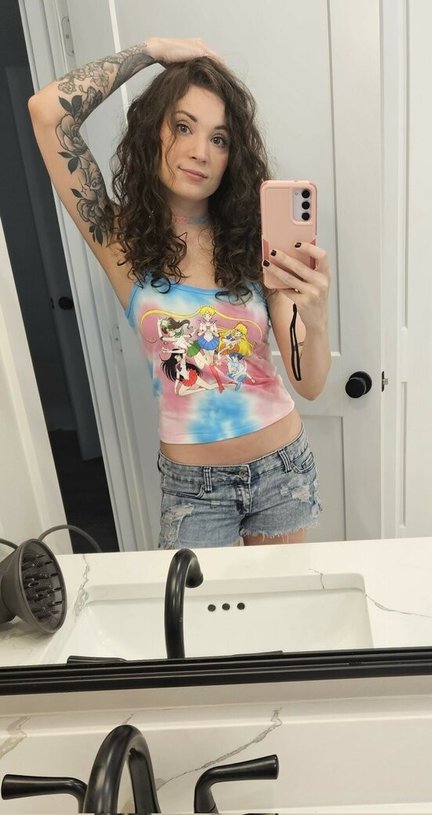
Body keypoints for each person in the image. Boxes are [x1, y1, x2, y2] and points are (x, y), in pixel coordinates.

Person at [28, 37, 331, 549]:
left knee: (278, 601)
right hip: (194, 489)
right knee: (196, 604)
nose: (200, 152)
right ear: (154, 131)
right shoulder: (120, 241)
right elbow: (47, 112)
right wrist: (151, 51)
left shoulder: (254, 241)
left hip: (282, 469)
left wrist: (315, 316)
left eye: (220, 139)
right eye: (184, 126)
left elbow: (311, 384)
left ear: (232, 156)